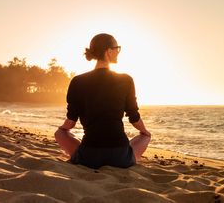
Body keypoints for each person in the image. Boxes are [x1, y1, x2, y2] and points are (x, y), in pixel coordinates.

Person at [54, 33, 151, 169]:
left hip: (89, 157)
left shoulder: (77, 81)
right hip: (120, 157)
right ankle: (130, 156)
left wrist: (62, 130)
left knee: (59, 133)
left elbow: (70, 122)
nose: (118, 51)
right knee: (145, 136)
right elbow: (134, 118)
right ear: (108, 51)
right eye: (116, 48)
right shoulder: (126, 80)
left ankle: (81, 154)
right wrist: (145, 132)